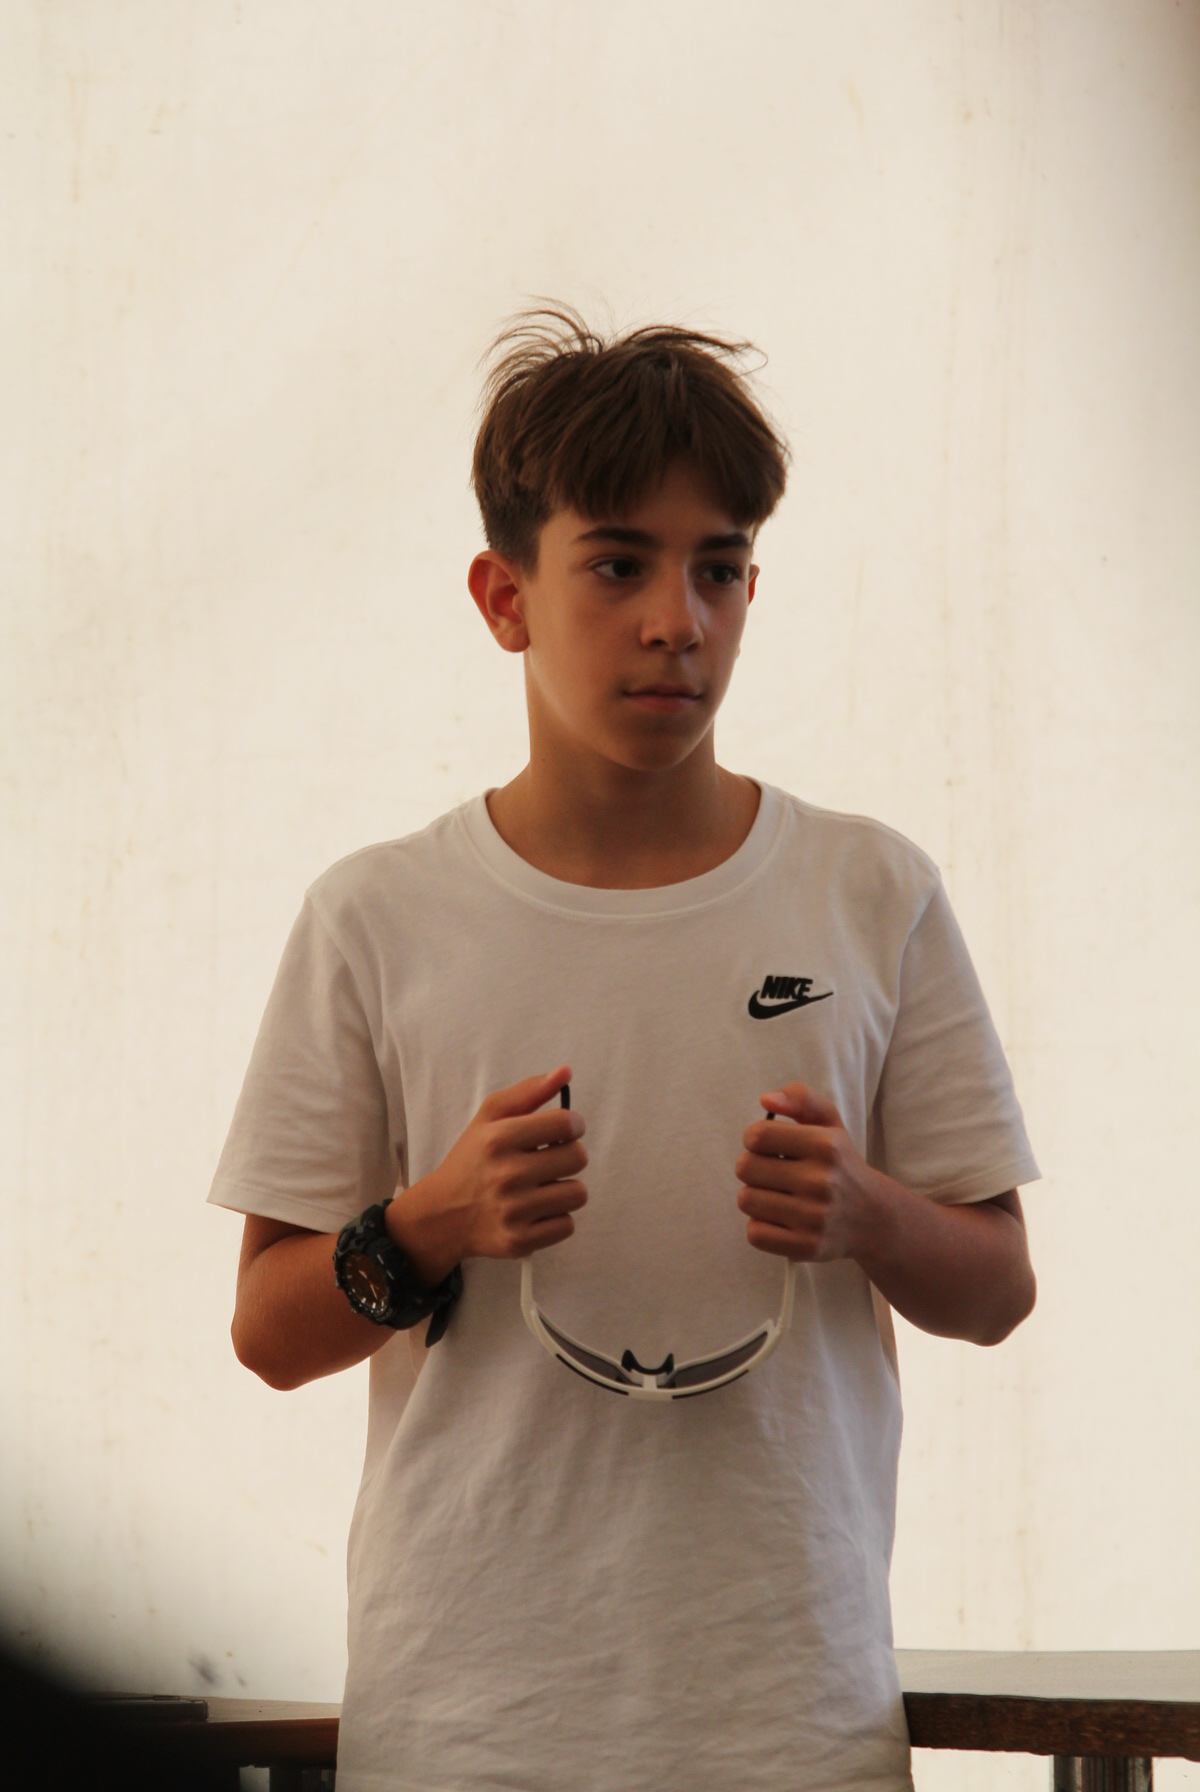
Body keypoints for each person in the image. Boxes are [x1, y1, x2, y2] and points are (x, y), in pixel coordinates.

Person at [209, 304, 1040, 1792]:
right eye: (616, 564)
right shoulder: (375, 915)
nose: (677, 620)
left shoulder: (872, 890)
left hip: (792, 1726)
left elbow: (998, 1287)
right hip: (465, 1731)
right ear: (504, 596)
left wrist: (870, 1215)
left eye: (719, 567)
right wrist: (426, 1225)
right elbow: (269, 1333)